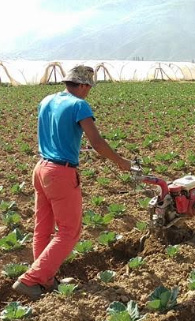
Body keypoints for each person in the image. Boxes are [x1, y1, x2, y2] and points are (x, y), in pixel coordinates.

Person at [12, 65, 132, 299]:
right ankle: (31, 278)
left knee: (43, 228)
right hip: (61, 173)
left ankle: (44, 278)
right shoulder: (79, 105)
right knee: (70, 231)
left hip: (41, 169)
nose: (89, 92)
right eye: (89, 88)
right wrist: (121, 161)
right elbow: (96, 142)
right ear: (84, 85)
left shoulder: (46, 100)